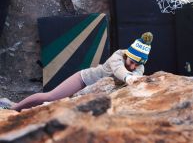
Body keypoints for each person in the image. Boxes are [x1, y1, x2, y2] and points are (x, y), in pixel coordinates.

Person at [12, 32, 153, 111]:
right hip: (84, 80)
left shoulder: (139, 67)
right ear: (127, 55)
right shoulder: (117, 56)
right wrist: (129, 77)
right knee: (49, 97)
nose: (134, 66)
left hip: (97, 92)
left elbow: (137, 77)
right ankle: (12, 109)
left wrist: (135, 78)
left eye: (137, 64)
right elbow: (119, 70)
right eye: (132, 62)